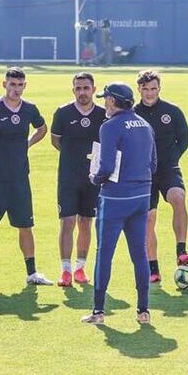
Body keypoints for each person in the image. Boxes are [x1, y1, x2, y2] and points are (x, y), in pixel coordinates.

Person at [0, 67, 52, 288]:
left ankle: (32, 273)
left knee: (26, 226)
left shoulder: (30, 109)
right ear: (4, 84)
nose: (16, 89)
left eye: (20, 85)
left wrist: (29, 143)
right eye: (12, 84)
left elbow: (42, 128)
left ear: (25, 86)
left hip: (20, 179)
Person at [79, 83, 156, 324]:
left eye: (106, 99)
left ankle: (98, 311)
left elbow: (107, 167)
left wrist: (95, 178)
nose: (104, 103)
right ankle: (143, 311)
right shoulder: (145, 124)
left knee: (104, 254)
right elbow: (153, 164)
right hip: (142, 196)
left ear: (113, 101)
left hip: (115, 198)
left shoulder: (110, 126)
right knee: (139, 254)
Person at [134, 69, 188, 283]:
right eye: (146, 89)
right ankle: (153, 268)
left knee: (178, 197)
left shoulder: (172, 111)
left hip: (168, 169)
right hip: (143, 174)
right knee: (149, 219)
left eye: (154, 89)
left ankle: (181, 251)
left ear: (160, 88)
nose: (150, 93)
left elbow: (183, 139)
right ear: (139, 89)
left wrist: (170, 159)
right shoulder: (132, 114)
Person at [50, 72, 106, 287]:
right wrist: (72, 158)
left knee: (86, 222)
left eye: (86, 88)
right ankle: (65, 270)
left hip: (93, 178)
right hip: (68, 176)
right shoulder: (63, 113)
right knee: (67, 222)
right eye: (78, 88)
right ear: (73, 90)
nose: (82, 92)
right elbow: (56, 140)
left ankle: (80, 268)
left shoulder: (103, 114)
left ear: (93, 89)